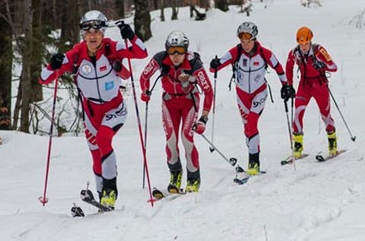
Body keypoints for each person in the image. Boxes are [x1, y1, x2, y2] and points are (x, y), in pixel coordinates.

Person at [39, 11, 148, 209]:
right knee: (96, 154)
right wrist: (52, 64)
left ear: (103, 33)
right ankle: (101, 197)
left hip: (114, 108)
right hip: (91, 113)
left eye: (97, 31)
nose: (93, 36)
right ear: (83, 34)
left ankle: (110, 192)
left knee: (104, 138)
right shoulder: (76, 54)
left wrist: (130, 35)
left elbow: (141, 52)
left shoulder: (112, 48)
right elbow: (44, 78)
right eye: (88, 32)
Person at [209, 22, 293, 175]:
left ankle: (253, 163)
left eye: (249, 40)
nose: (245, 44)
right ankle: (254, 154)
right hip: (242, 96)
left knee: (252, 121)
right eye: (242, 41)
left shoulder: (264, 53)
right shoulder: (236, 52)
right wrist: (215, 64)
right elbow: (216, 66)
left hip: (259, 93)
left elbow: (278, 67)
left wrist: (286, 85)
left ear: (254, 38)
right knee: (247, 128)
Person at [139, 31, 213, 194]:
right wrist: (145, 91)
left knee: (187, 138)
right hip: (169, 102)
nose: (176, 55)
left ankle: (193, 180)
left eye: (179, 50)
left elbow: (208, 91)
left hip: (189, 101)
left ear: (185, 50)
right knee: (171, 140)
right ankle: (175, 176)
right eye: (171, 50)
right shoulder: (160, 59)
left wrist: (203, 119)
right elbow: (144, 76)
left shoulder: (194, 63)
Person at [285, 27, 339, 157]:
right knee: (298, 112)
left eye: (306, 43)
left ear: (310, 41)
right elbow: (288, 68)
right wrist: (289, 85)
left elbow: (334, 67)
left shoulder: (319, 50)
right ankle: (298, 145)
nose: (303, 47)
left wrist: (322, 64)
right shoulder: (294, 53)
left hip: (320, 85)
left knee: (325, 114)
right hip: (304, 85)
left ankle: (332, 141)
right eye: (301, 44)